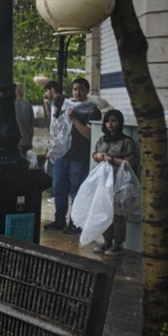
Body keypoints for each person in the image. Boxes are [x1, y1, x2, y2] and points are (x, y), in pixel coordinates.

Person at [45, 77, 101, 234]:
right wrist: (52, 147)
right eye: (75, 89)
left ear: (87, 90)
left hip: (79, 156)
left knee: (77, 190)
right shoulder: (67, 105)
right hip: (62, 154)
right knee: (59, 188)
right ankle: (59, 220)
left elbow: (89, 134)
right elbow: (57, 127)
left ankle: (75, 222)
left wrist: (74, 118)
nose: (78, 92)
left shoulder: (92, 110)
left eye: (81, 89)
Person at [92, 109, 139, 255]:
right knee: (105, 210)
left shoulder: (126, 142)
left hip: (119, 181)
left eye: (113, 121)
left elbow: (130, 163)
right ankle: (107, 240)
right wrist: (98, 156)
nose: (110, 124)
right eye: (107, 121)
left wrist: (111, 159)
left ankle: (118, 243)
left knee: (118, 213)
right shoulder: (102, 140)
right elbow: (95, 154)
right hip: (104, 181)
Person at [15, 82, 35, 157]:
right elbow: (31, 126)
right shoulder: (28, 105)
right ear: (22, 92)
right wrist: (30, 142)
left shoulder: (9, 106)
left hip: (13, 144)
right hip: (25, 142)